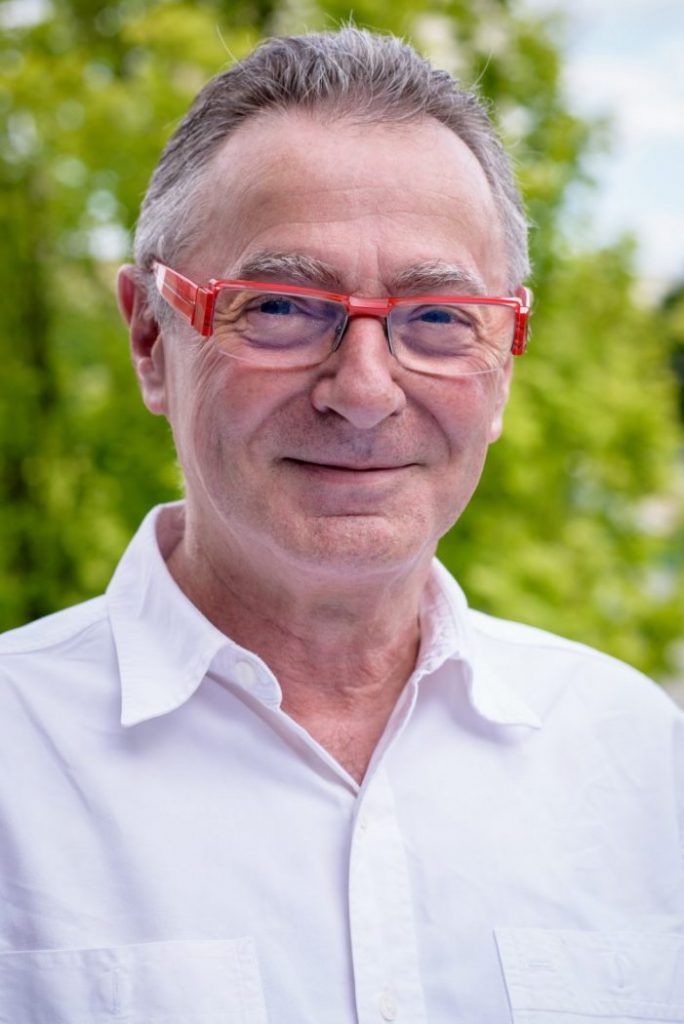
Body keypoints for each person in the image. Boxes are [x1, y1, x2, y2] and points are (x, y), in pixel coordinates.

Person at [1, 27, 682, 1023]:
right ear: (151, 338)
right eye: (281, 306)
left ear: (504, 364)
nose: (364, 391)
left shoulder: (641, 760)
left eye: (440, 318)